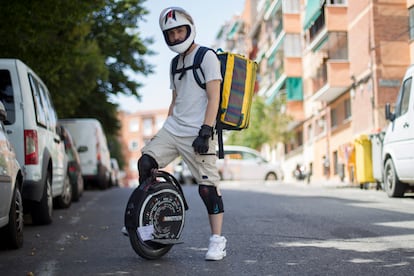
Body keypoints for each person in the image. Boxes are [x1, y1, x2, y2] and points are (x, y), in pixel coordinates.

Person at [125, 6, 226, 261]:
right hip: (174, 129)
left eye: (180, 31)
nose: (176, 37)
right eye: (170, 34)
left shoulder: (207, 56)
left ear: (189, 29)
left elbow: (214, 97)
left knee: (208, 189)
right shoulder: (174, 63)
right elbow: (175, 100)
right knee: (146, 162)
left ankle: (217, 241)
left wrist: (206, 131)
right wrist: (163, 132)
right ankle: (146, 220)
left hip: (198, 132)